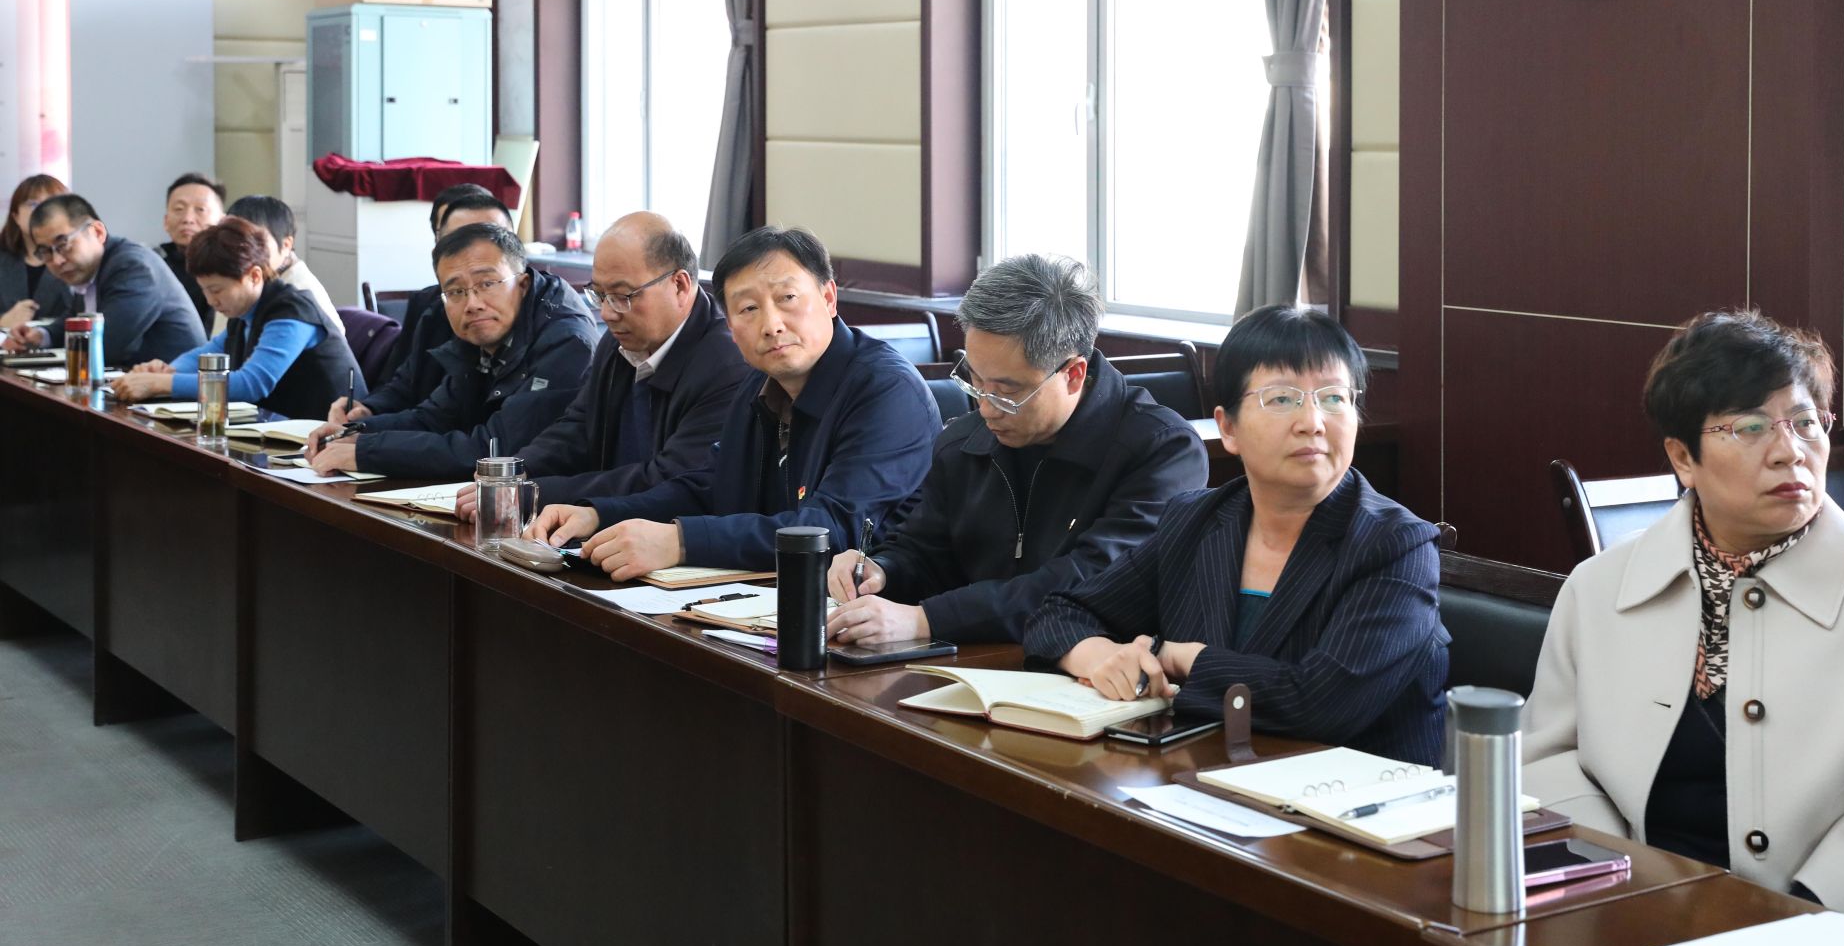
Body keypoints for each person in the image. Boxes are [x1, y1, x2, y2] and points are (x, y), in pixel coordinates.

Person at [1520, 310, 1844, 925]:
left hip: (1834, 932)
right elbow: (1547, 757)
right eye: (1750, 427)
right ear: (1682, 458)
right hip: (1626, 911)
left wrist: (1793, 918)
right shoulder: (1599, 587)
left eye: (1805, 423)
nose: (1789, 452)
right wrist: (1621, 880)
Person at [1022, 306, 1448, 764]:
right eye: (1282, 399)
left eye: (1333, 398)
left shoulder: (1396, 545)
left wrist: (1182, 658)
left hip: (1353, 798)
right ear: (1228, 428)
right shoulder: (1196, 519)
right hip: (1204, 779)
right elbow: (1059, 614)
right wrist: (1101, 657)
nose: (1313, 421)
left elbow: (1320, 704)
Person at [824, 255, 1206, 648]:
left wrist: (927, 620)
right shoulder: (963, 443)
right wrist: (882, 570)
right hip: (978, 658)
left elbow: (1091, 582)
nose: (986, 409)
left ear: (1073, 374)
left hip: (1103, 665)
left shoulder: (1162, 451)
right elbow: (926, 551)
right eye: (975, 381)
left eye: (1007, 392)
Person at [525, 225, 942, 578]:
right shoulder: (760, 383)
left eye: (787, 299)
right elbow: (710, 486)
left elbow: (833, 529)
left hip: (879, 612)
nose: (771, 325)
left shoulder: (886, 390)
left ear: (829, 298)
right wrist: (599, 514)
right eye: (748, 308)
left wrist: (680, 542)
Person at [456, 212, 749, 519]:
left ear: (679, 285)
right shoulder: (619, 342)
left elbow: (669, 480)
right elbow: (578, 429)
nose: (607, 313)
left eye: (622, 296)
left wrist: (531, 494)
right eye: (599, 295)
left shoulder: (727, 364)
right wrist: (513, 474)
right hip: (607, 521)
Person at [303, 222, 601, 478]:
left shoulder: (567, 341)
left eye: (487, 283)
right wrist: (357, 431)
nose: (473, 304)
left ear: (522, 284)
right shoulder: (479, 333)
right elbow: (434, 417)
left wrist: (366, 453)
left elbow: (496, 450)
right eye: (456, 291)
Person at [112, 216, 361, 419]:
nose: (211, 301)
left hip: (334, 435)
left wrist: (160, 383)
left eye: (217, 290)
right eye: (205, 290)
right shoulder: (247, 311)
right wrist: (166, 371)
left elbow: (251, 384)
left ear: (254, 276)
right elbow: (209, 353)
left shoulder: (291, 312)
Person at [327, 184, 513, 425]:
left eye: (484, 237)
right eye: (457, 241)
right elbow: (402, 385)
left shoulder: (538, 321)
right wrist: (368, 411)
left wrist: (369, 436)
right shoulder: (430, 307)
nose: (471, 252)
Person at [0, 194, 206, 364]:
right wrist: (40, 336)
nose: (57, 260)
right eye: (45, 252)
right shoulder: (89, 270)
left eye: (63, 245)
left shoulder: (133, 267)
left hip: (173, 388)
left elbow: (106, 345)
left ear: (97, 232)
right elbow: (77, 319)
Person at [223, 194, 343, 335]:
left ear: (286, 245)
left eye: (257, 243)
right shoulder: (264, 276)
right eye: (234, 241)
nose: (242, 251)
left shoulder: (298, 295)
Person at [2, 173, 70, 334]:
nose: (43, 211)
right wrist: (2, 321)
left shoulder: (76, 257)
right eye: (33, 204)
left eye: (51, 203)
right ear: (16, 217)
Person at [158, 172, 226, 330]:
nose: (188, 219)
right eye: (179, 209)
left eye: (200, 210)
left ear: (222, 221)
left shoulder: (229, 270)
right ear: (166, 221)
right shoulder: (154, 266)